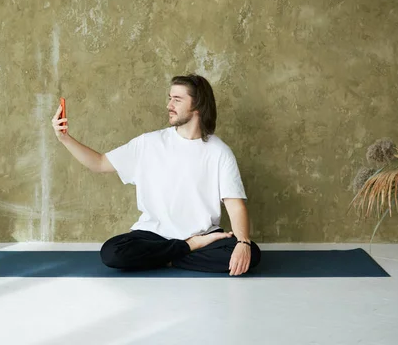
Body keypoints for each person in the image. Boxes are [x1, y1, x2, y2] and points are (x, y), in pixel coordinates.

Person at [51, 74, 261, 276]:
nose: (169, 105)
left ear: (197, 105)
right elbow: (99, 163)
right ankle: (187, 248)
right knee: (112, 252)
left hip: (204, 235)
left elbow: (235, 205)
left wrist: (243, 243)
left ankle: (168, 256)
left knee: (252, 254)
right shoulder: (148, 143)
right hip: (153, 236)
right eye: (170, 98)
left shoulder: (219, 152)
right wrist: (65, 139)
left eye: (177, 100)